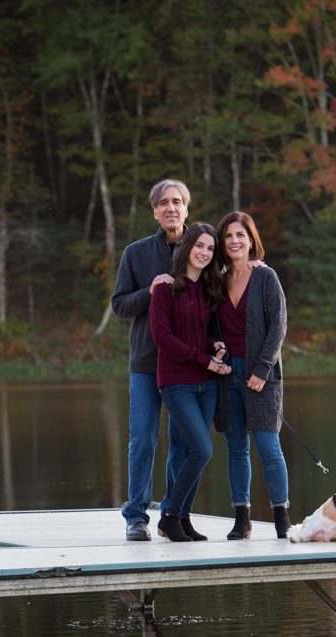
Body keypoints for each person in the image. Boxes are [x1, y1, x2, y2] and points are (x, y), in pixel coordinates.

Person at [111, 179, 191, 542]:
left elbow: (228, 281)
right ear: (155, 211)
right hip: (146, 363)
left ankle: (173, 512)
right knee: (143, 439)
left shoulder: (203, 248)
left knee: (182, 440)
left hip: (187, 366)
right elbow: (120, 305)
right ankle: (136, 516)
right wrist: (150, 290)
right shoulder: (136, 253)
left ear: (187, 207)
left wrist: (254, 262)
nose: (171, 208)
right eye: (163, 203)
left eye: (177, 202)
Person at [148, 223, 231, 543]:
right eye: (200, 246)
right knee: (201, 449)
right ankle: (169, 516)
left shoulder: (209, 290)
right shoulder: (166, 288)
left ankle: (182, 518)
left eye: (211, 249)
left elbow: (205, 334)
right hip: (177, 382)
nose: (205, 253)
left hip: (207, 384)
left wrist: (215, 347)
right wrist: (204, 359)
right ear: (187, 248)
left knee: (186, 451)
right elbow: (163, 338)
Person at [214, 211, 292, 540]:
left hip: (262, 372)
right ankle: (241, 519)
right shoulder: (215, 278)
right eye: (229, 236)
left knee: (268, 445)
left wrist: (261, 370)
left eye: (240, 235)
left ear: (251, 241)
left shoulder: (265, 277)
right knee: (236, 448)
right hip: (227, 372)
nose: (234, 241)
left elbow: (278, 325)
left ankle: (281, 517)